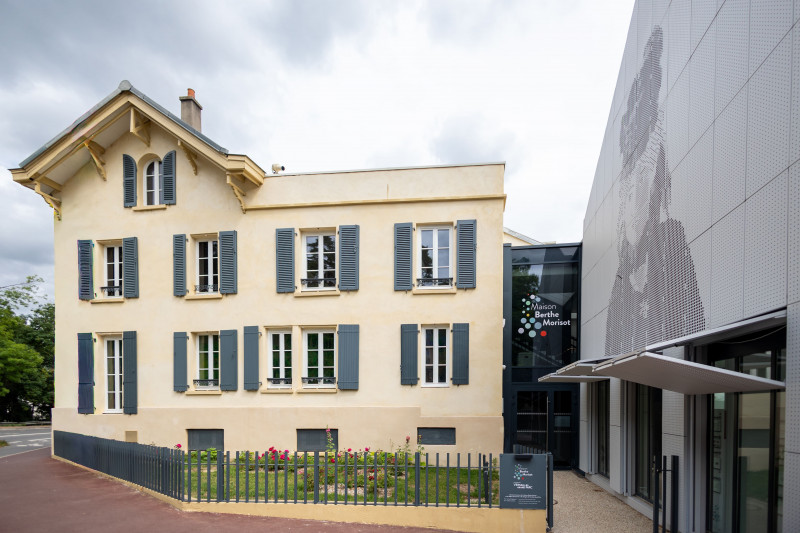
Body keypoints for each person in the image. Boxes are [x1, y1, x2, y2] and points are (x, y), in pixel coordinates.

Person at [605, 26, 705, 356]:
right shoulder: (620, 286)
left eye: (645, 180)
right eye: (629, 185)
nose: (633, 196)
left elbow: (694, 338)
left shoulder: (673, 247)